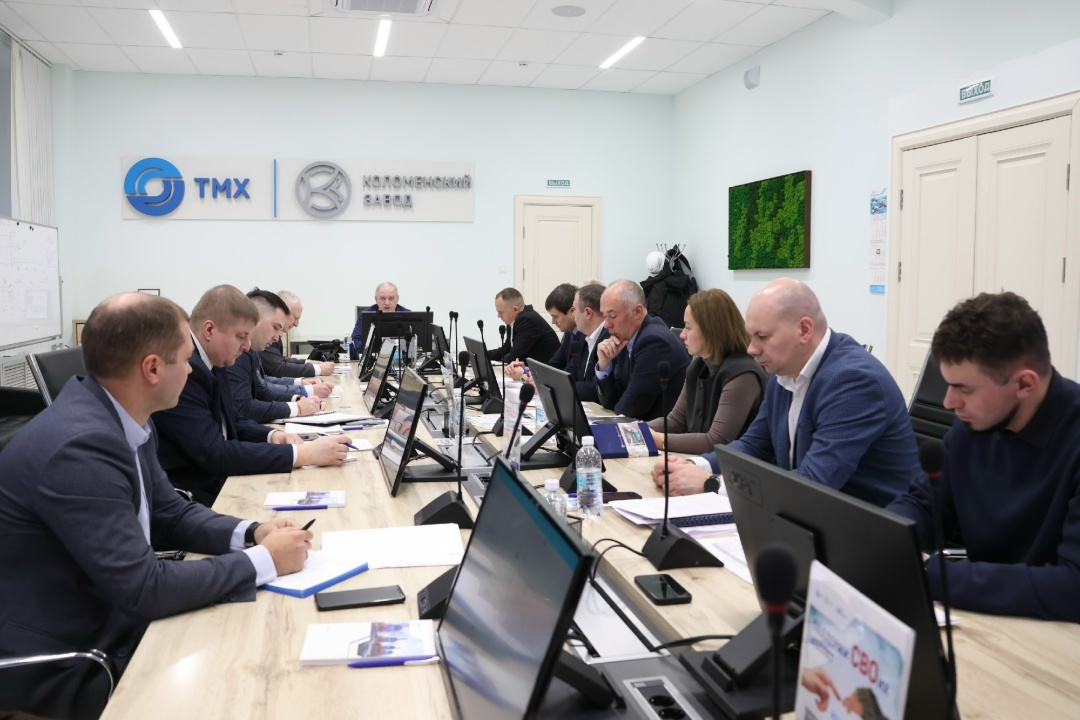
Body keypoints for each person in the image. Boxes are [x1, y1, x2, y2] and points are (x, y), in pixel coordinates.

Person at [0, 293, 313, 720]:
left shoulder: (123, 416)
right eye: (184, 360)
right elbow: (143, 588)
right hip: (68, 655)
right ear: (152, 368)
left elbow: (171, 512)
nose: (192, 369)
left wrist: (253, 532)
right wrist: (264, 561)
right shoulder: (80, 447)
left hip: (111, 614)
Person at [888, 292, 1080, 622]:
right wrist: (885, 538)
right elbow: (924, 503)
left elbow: (1072, 587)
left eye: (964, 389)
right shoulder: (973, 426)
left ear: (1025, 384)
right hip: (988, 617)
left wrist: (930, 573)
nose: (948, 402)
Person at [653, 278, 918, 507]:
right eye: (751, 336)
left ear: (804, 330)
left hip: (870, 534)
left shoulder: (853, 381)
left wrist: (711, 484)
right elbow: (754, 445)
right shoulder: (783, 372)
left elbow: (814, 482)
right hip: (806, 517)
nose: (751, 349)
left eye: (763, 337)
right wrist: (697, 466)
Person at [153, 285, 349, 506]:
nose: (247, 347)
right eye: (241, 336)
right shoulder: (187, 370)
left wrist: (272, 436)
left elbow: (232, 421)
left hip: (218, 483)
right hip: (196, 497)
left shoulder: (214, 360)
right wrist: (301, 455)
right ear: (209, 330)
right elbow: (216, 454)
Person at [646, 289, 765, 454]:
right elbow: (675, 422)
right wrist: (635, 429)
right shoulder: (698, 366)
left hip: (730, 467)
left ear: (711, 330)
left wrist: (657, 439)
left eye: (688, 327)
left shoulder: (743, 375)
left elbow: (715, 441)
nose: (682, 335)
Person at [592, 279, 690, 421]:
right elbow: (610, 401)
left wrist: (615, 406)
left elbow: (628, 409)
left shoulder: (654, 342)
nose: (606, 324)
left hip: (663, 431)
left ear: (637, 312)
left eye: (612, 315)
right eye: (604, 316)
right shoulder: (626, 337)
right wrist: (604, 365)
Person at [228, 288, 324, 423]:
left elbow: (261, 390)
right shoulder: (238, 352)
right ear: (255, 319)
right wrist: (297, 408)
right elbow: (242, 408)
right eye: (276, 327)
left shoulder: (251, 350)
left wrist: (298, 399)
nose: (277, 337)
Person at [506, 282, 581, 379]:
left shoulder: (584, 336)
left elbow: (570, 374)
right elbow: (553, 365)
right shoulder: (569, 333)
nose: (553, 322)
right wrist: (527, 370)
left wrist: (530, 374)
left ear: (572, 312)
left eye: (555, 316)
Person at [261, 290, 334, 380]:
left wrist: (309, 363)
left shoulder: (276, 334)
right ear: (282, 312)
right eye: (295, 318)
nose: (296, 324)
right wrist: (317, 369)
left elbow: (279, 359)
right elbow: (277, 368)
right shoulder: (268, 334)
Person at [487, 287, 561, 365]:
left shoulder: (527, 320)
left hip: (549, 369)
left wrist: (500, 360)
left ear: (515, 310)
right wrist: (484, 354)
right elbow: (506, 348)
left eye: (501, 312)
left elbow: (515, 357)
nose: (498, 316)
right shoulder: (512, 321)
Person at [349, 281, 411, 358]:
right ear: (376, 299)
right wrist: (370, 351)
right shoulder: (364, 315)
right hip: (373, 357)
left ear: (397, 299)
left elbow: (416, 342)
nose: (387, 303)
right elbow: (356, 339)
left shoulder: (408, 315)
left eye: (391, 298)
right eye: (382, 298)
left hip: (399, 358)